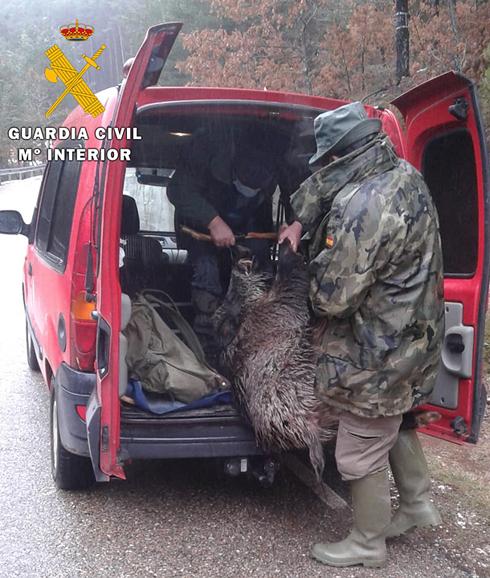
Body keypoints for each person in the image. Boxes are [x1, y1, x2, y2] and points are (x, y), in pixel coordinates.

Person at [279, 102, 445, 568]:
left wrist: (304, 266)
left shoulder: (363, 206)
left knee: (359, 447)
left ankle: (367, 541)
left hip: (378, 351)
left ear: (341, 156)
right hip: (416, 337)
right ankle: (416, 504)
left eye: (326, 157)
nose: (323, 165)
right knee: (397, 418)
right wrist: (302, 219)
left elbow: (333, 299)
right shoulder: (403, 175)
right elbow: (334, 189)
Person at [167, 128, 277, 366]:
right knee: (207, 269)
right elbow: (176, 189)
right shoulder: (207, 155)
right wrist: (213, 221)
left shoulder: (273, 167)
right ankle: (206, 349)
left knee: (261, 265)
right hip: (201, 232)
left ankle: (258, 335)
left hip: (246, 231)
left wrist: (295, 224)